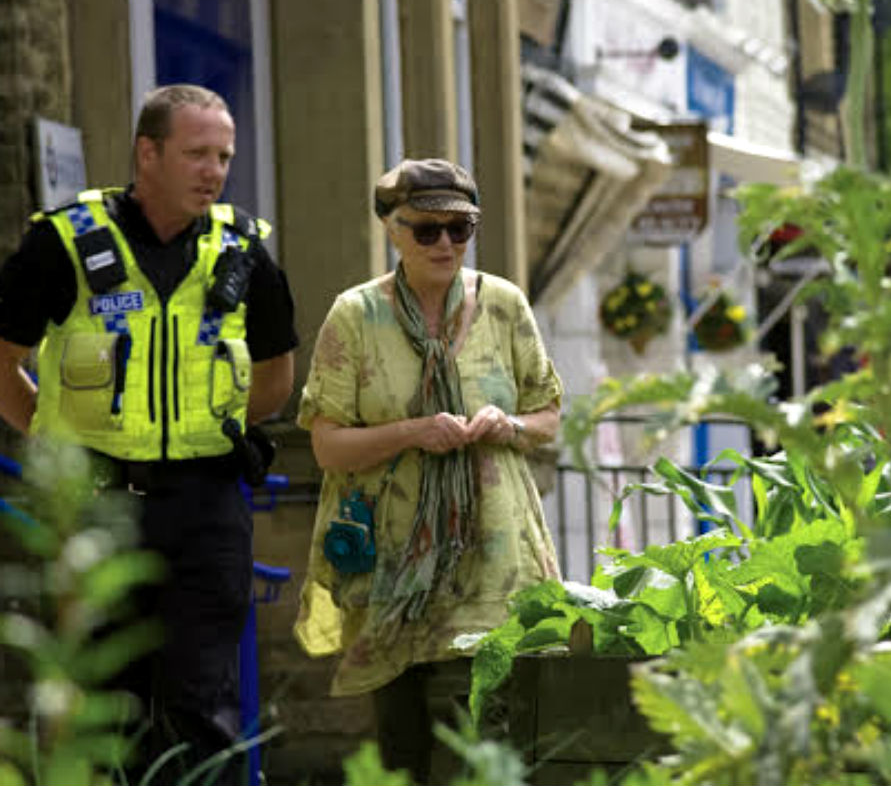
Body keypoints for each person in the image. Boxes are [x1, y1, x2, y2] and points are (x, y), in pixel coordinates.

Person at [0, 84, 298, 785]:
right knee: (98, 705)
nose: (214, 170)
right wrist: (52, 442)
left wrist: (202, 427)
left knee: (203, 704)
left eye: (223, 155)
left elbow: (278, 377)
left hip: (206, 509)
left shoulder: (244, 252)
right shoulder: (65, 244)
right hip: (95, 507)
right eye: (196, 153)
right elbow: (2, 359)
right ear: (147, 152)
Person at [293, 158, 562, 784]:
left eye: (460, 229)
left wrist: (509, 426)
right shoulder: (355, 316)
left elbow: (546, 414)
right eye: (427, 230)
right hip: (392, 556)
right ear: (393, 229)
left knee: (490, 726)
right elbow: (328, 446)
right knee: (404, 735)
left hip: (492, 550)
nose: (446, 243)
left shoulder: (503, 305)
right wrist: (415, 432)